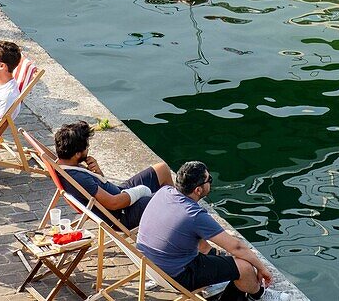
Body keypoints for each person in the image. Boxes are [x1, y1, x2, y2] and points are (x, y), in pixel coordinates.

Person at [137, 162, 272, 301]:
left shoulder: (164, 192)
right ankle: (259, 295)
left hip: (150, 265)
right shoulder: (194, 215)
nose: (211, 183)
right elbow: (236, 247)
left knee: (197, 239)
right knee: (245, 268)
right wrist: (262, 269)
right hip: (177, 275)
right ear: (198, 190)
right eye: (209, 180)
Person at [54, 121, 173, 229]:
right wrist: (140, 191)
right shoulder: (79, 178)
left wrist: (98, 174)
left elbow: (100, 191)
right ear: (77, 154)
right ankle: (179, 222)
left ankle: (173, 217)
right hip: (124, 214)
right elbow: (113, 203)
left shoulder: (66, 165)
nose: (88, 149)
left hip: (121, 193)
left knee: (162, 169)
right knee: (170, 197)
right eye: (87, 147)